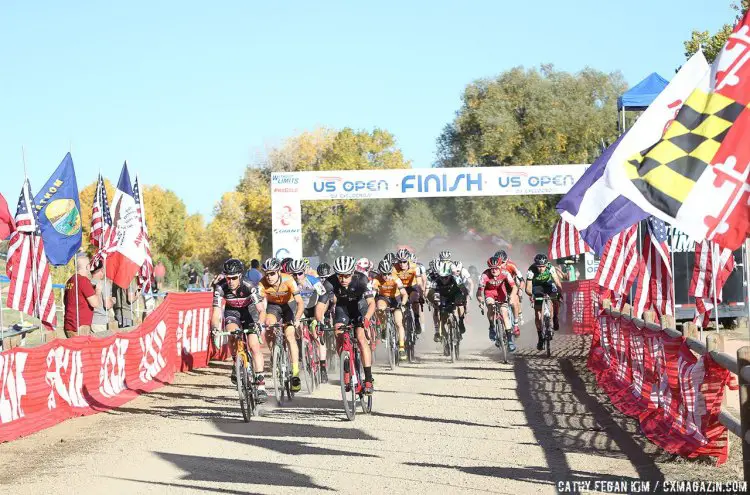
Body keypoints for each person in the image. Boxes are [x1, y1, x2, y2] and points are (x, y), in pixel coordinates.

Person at [211, 258, 268, 401]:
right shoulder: (220, 287)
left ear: (240, 276)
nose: (230, 281)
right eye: (228, 278)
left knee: (254, 346)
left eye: (234, 278)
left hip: (250, 313)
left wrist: (260, 323)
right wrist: (215, 329)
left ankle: (261, 385)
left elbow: (261, 310)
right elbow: (216, 313)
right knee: (232, 334)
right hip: (233, 313)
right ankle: (236, 362)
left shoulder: (249, 286)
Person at [330, 256, 376, 395]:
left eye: (346, 275)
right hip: (343, 309)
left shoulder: (361, 279)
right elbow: (322, 304)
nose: (343, 279)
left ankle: (368, 379)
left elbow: (371, 303)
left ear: (353, 273)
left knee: (361, 338)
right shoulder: (331, 281)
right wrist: (319, 321)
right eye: (340, 276)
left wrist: (367, 318)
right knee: (338, 332)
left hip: (359, 308)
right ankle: (346, 367)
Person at [258, 258, 305, 392]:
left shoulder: (288, 279)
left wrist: (297, 318)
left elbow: (300, 302)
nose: (269, 277)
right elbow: (260, 304)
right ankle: (275, 353)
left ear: (279, 272)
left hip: (289, 306)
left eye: (272, 273)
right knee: (268, 325)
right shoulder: (262, 283)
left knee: (290, 336)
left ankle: (295, 373)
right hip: (274, 307)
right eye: (266, 274)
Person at [288, 259, 332, 383]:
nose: (297, 277)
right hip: (300, 309)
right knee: (299, 329)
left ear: (305, 271)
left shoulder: (312, 280)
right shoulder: (291, 283)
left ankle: (323, 367)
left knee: (317, 337)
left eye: (300, 273)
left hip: (314, 308)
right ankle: (303, 352)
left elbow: (324, 295)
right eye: (294, 274)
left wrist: (320, 313)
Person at [477, 256, 518, 352]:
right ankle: (491, 326)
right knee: (490, 306)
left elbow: (514, 287)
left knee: (504, 313)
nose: (494, 270)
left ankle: (510, 341)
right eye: (492, 268)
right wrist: (481, 301)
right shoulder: (485, 276)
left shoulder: (505, 272)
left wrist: (512, 297)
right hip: (489, 293)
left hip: (501, 293)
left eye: (496, 268)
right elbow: (479, 292)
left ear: (500, 267)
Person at [371, 258, 408, 361]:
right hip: (384, 298)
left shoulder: (396, 278)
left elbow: (404, 294)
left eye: (388, 274)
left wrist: (403, 304)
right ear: (380, 273)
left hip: (396, 298)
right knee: (379, 308)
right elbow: (373, 294)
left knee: (398, 323)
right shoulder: (376, 279)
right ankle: (383, 327)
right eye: (384, 274)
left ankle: (401, 348)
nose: (386, 276)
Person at [525, 253, 563, 350]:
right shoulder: (531, 270)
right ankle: (540, 338)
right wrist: (531, 295)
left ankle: (555, 317)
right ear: (536, 265)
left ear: (546, 265)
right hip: (537, 287)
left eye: (543, 266)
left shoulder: (550, 268)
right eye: (539, 266)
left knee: (555, 298)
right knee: (538, 313)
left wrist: (560, 293)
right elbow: (528, 288)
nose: (541, 269)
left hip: (548, 285)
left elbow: (557, 282)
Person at [426, 260, 468, 344]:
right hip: (442, 297)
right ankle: (444, 334)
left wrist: (464, 298)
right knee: (442, 314)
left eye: (446, 277)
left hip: (454, 295)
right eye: (441, 277)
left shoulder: (456, 279)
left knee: (459, 302)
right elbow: (431, 293)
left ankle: (461, 321)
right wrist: (435, 301)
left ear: (450, 275)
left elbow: (463, 289)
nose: (444, 279)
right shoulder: (436, 281)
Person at [63, 255, 100, 338]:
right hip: (80, 326)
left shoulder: (70, 280)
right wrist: (98, 291)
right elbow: (95, 303)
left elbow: (65, 301)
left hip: (69, 324)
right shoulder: (83, 281)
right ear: (87, 267)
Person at [392, 248, 423, 335]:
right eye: (400, 262)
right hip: (400, 288)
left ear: (408, 260)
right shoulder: (394, 268)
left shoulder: (415, 267)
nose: (402, 264)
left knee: (415, 300)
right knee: (399, 305)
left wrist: (421, 295)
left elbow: (419, 283)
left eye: (404, 261)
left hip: (411, 287)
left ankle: (417, 320)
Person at [494, 250, 525, 330]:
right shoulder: (494, 268)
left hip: (512, 284)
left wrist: (520, 289)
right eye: (498, 263)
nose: (500, 265)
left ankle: (516, 324)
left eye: (503, 263)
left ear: (507, 261)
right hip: (501, 286)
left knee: (514, 302)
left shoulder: (512, 266)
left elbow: (522, 280)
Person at [90, 260, 113, 334]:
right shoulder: (104, 284)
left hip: (89, 321)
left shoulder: (87, 283)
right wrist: (113, 301)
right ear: (101, 270)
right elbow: (107, 305)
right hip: (101, 322)